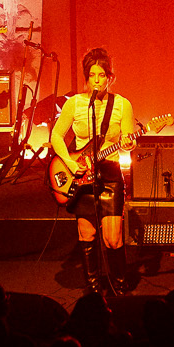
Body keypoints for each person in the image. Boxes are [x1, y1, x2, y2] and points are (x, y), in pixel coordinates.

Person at [50, 48, 136, 295]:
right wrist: (68, 161)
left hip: (109, 174)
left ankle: (120, 288)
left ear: (110, 77)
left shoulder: (122, 105)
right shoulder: (76, 104)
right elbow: (56, 135)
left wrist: (130, 143)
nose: (97, 80)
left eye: (101, 75)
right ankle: (94, 290)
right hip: (82, 174)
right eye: (92, 75)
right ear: (87, 78)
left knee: (113, 238)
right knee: (87, 234)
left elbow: (129, 139)